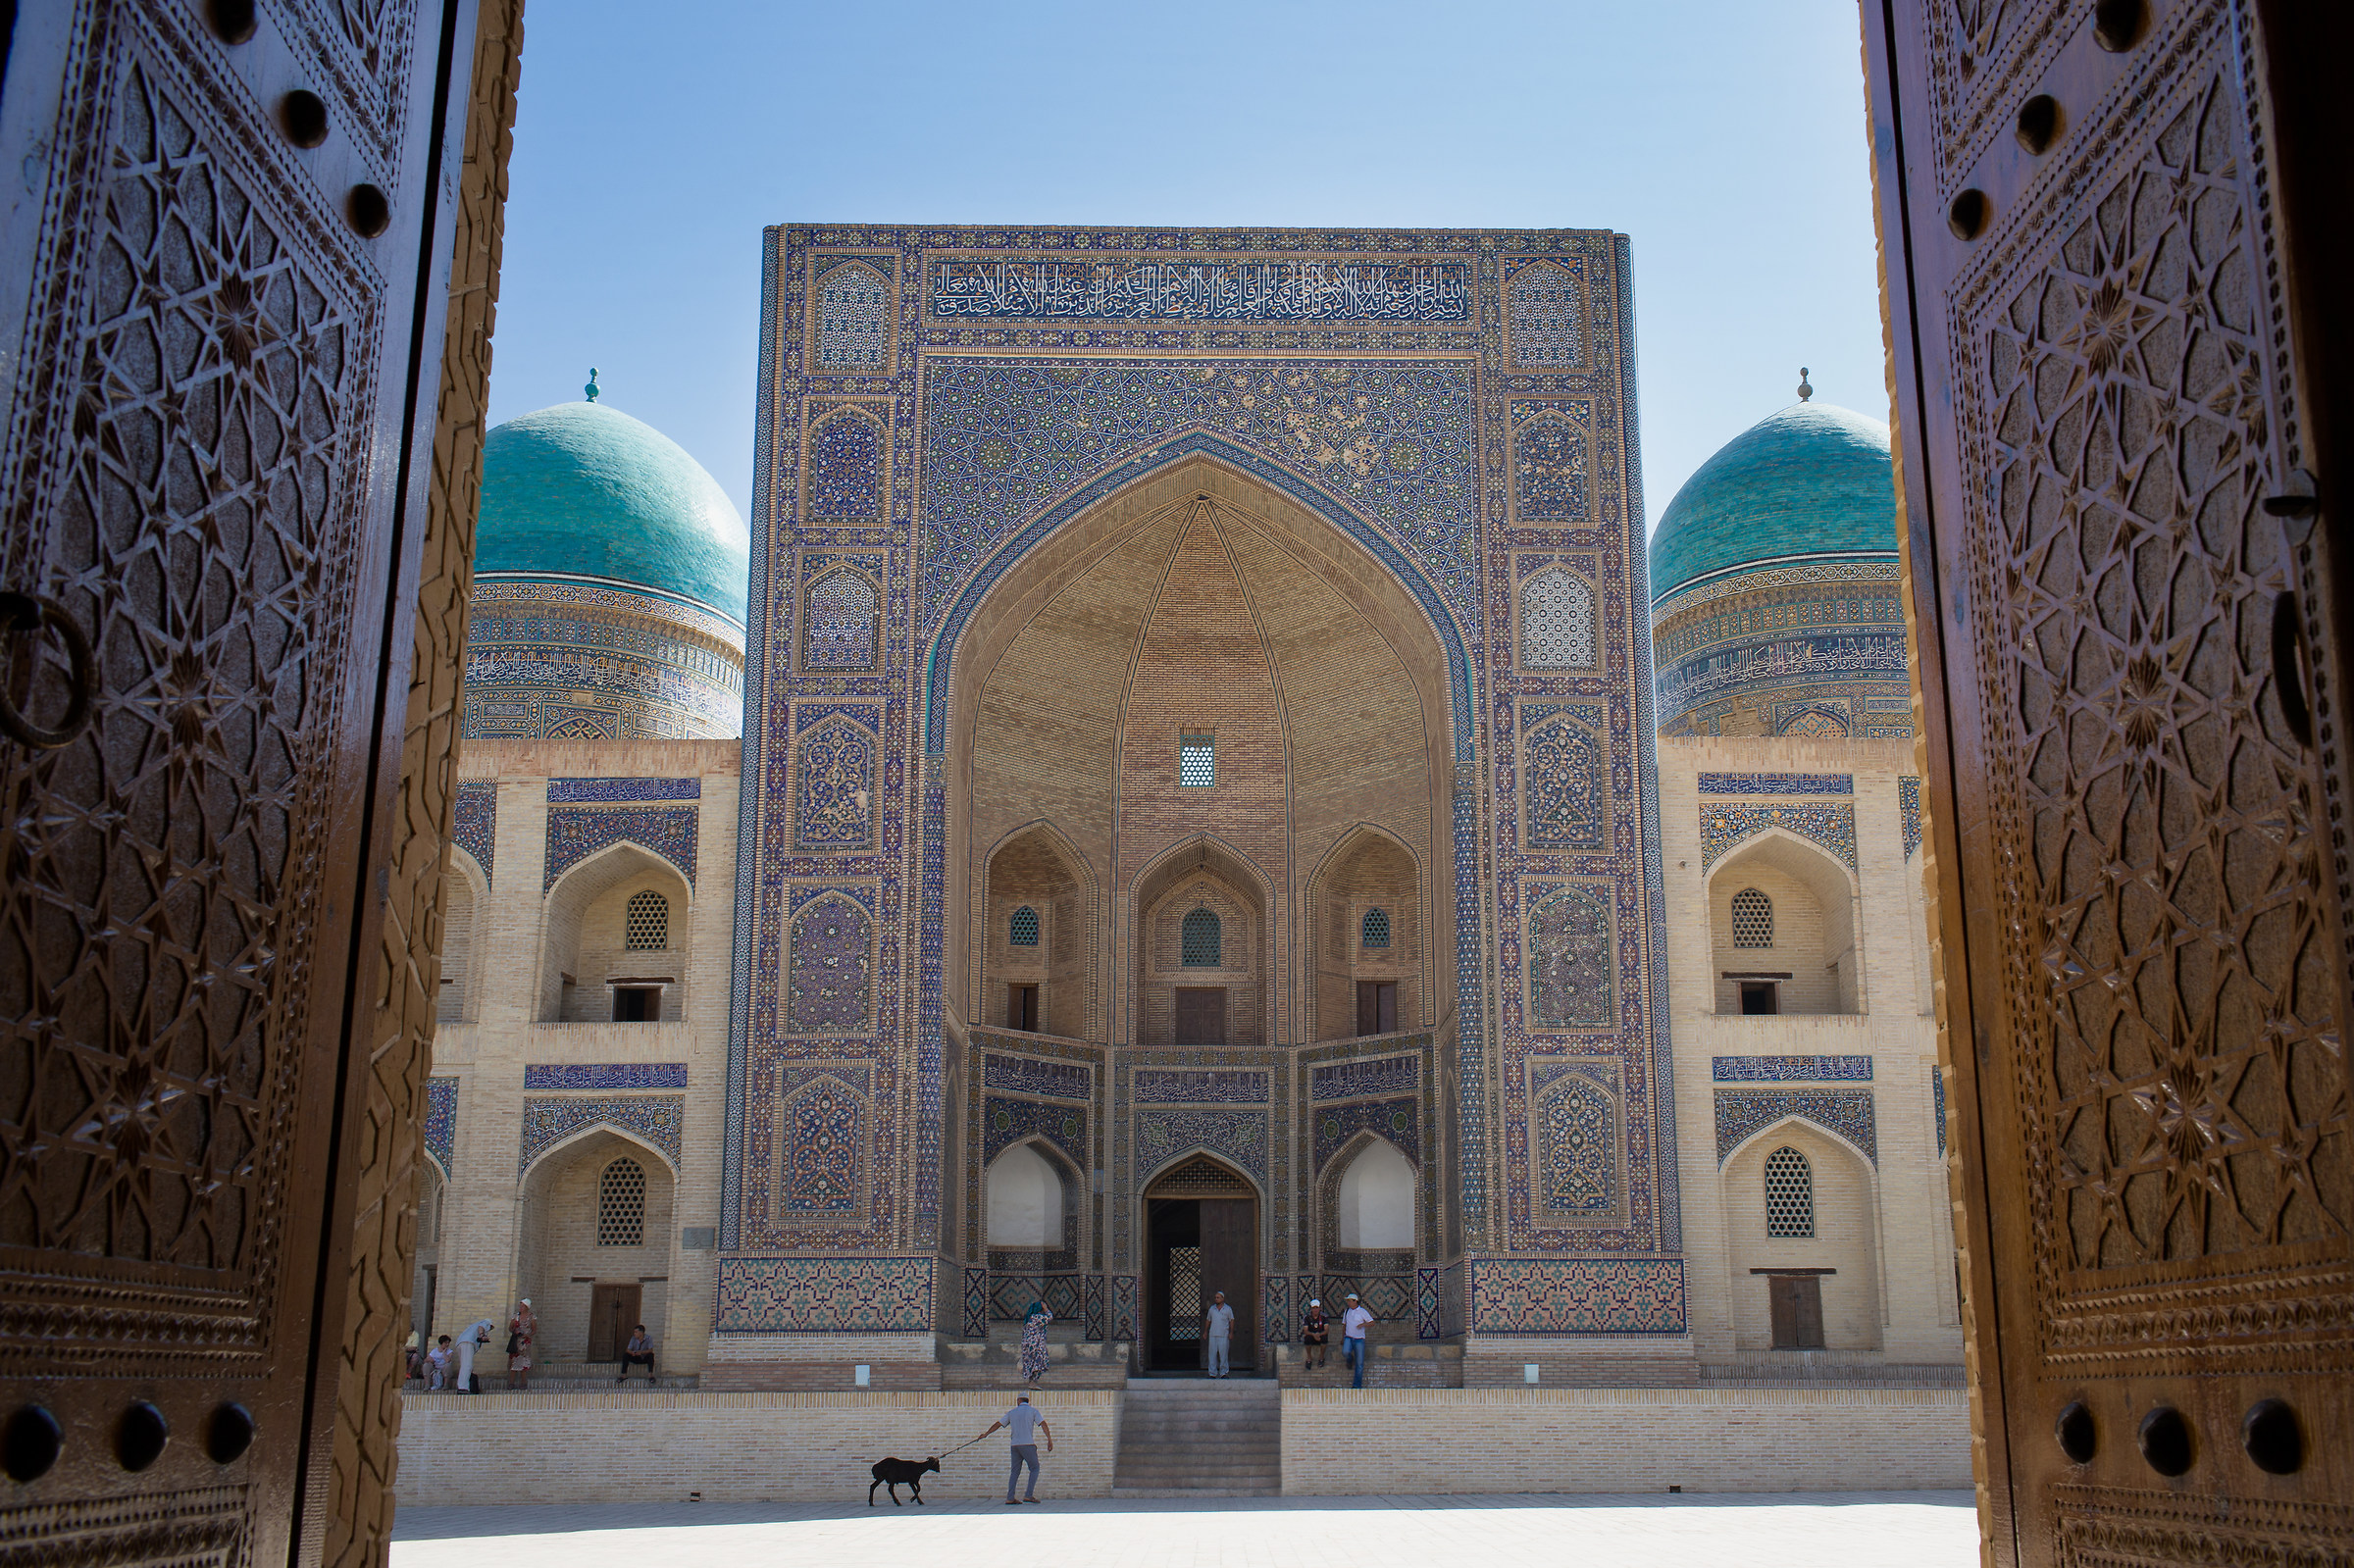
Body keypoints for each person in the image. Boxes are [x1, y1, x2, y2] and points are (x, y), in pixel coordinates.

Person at [976, 1393, 1053, 1505]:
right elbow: (1043, 1424)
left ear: (1019, 1401)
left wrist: (986, 1434)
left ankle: (1010, 1497)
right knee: (1035, 1468)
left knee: (1015, 1472)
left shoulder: (1012, 1413)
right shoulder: (1033, 1411)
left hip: (1015, 1445)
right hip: (1028, 1444)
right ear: (1027, 1401)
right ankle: (1028, 1495)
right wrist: (1049, 1439)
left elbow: (998, 1424)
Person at [1341, 1292, 1373, 1390]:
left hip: (1359, 1339)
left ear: (1355, 1301)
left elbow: (1372, 1322)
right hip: (1348, 1337)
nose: (1348, 1303)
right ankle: (1350, 1360)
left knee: (1359, 1364)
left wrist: (1363, 1325)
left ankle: (1356, 1385)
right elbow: (1344, 1324)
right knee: (1345, 1352)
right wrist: (1343, 1337)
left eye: (1349, 1301)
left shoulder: (1362, 1312)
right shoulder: (1347, 1311)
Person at [453, 1319, 496, 1393]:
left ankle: (465, 1386)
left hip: (461, 1343)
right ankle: (463, 1388)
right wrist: (482, 1335)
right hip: (468, 1342)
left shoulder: (472, 1327)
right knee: (467, 1366)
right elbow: (481, 1327)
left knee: (465, 1366)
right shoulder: (486, 1322)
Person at [1018, 1299, 1051, 1389]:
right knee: (1039, 1363)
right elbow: (1049, 1317)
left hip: (1028, 1346)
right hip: (1036, 1346)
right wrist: (1046, 1309)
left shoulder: (1029, 1318)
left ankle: (1032, 1382)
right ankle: (1033, 1382)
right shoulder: (1037, 1317)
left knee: (1032, 1364)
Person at [505, 1298, 537, 1391]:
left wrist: (528, 1335)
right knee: (513, 1361)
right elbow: (510, 1328)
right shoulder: (516, 1316)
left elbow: (534, 1330)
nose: (520, 1307)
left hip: (525, 1342)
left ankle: (523, 1382)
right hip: (515, 1341)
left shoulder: (531, 1317)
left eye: (522, 1306)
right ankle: (511, 1382)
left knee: (524, 1362)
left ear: (527, 1307)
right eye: (520, 1305)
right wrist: (515, 1330)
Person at [1204, 1290, 1236, 1378]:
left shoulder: (1228, 1309)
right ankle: (1212, 1373)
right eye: (1215, 1298)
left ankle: (1224, 1373)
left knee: (1223, 1354)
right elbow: (1208, 1320)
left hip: (1223, 1335)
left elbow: (1232, 1320)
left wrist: (1231, 1332)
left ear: (1222, 1298)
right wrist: (1206, 1331)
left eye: (1218, 1297)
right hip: (1213, 1334)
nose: (1216, 1299)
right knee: (1212, 1354)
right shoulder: (1212, 1309)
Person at [1300, 1297, 1330, 1371]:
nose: (1315, 1310)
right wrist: (1314, 1334)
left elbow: (1326, 1330)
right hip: (1312, 1335)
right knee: (1307, 1339)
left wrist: (1319, 1335)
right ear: (1311, 1308)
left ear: (1319, 1308)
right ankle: (1309, 1358)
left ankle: (1321, 1357)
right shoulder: (1307, 1317)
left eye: (1317, 1308)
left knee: (1325, 1338)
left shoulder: (1324, 1317)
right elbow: (1305, 1330)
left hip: (1320, 1335)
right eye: (1313, 1308)